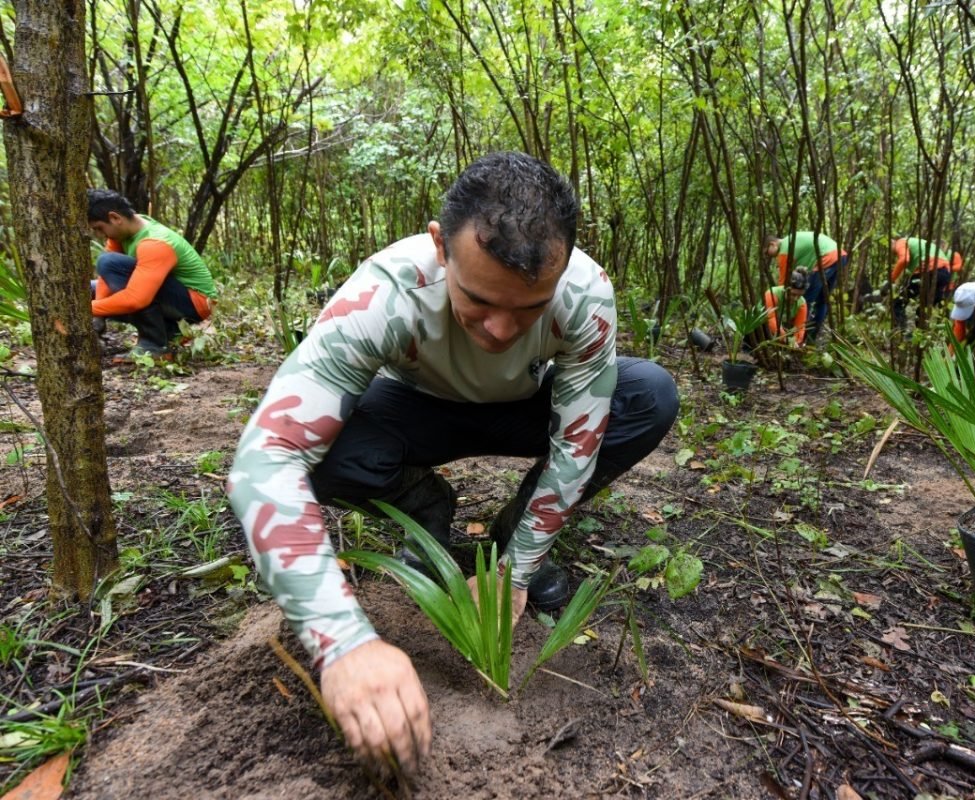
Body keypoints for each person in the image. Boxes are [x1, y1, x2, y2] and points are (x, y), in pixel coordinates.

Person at [226, 152, 678, 774]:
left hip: (524, 405)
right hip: (417, 409)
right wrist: (344, 641)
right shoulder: (385, 292)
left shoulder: (584, 293)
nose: (500, 329)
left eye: (528, 308)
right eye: (479, 299)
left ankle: (503, 543)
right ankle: (424, 508)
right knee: (326, 446)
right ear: (441, 247)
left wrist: (517, 570)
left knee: (647, 394)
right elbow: (267, 456)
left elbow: (578, 443)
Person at [87, 189, 215, 359]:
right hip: (164, 294)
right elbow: (105, 277)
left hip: (194, 303)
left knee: (108, 262)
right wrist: (98, 312)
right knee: (89, 289)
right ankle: (170, 332)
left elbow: (137, 298)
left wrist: (87, 310)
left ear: (115, 218)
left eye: (99, 228)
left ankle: (154, 346)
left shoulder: (155, 242)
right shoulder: (124, 232)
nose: (98, 235)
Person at [763, 231, 847, 342]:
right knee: (822, 301)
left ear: (773, 244)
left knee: (803, 300)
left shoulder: (784, 250)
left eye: (766, 252)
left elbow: (783, 284)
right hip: (841, 255)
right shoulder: (790, 240)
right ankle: (809, 339)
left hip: (826, 257)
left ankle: (801, 340)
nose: (767, 256)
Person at [889, 236, 963, 326]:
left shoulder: (900, 242)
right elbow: (908, 271)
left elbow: (904, 259)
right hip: (944, 275)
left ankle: (901, 331)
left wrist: (891, 280)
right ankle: (922, 335)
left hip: (929, 270)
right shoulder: (922, 245)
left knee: (897, 303)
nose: (893, 254)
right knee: (922, 309)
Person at [763, 269, 810, 348]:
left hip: (783, 328)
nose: (795, 298)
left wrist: (796, 342)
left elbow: (800, 326)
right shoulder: (772, 294)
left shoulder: (802, 303)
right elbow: (771, 319)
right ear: (785, 288)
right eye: (793, 294)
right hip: (764, 327)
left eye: (799, 295)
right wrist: (785, 338)